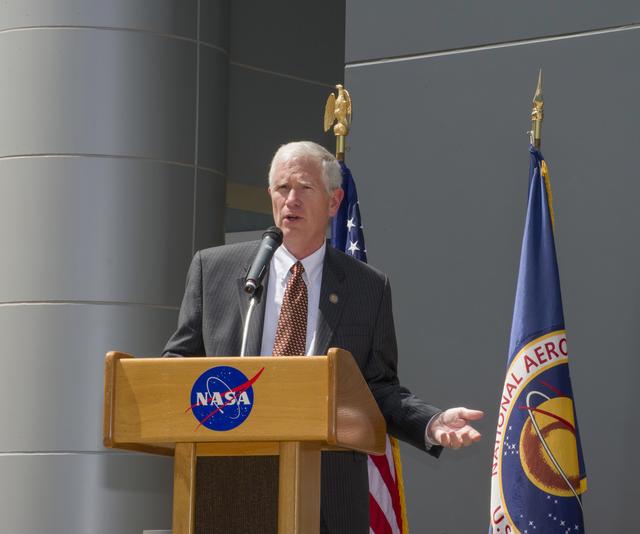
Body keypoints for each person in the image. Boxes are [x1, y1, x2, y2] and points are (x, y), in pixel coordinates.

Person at [163, 141, 483, 533]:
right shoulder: (213, 269)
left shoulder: (367, 287)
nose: (291, 200)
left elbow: (378, 387)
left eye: (304, 188)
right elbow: (177, 367)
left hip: (329, 494)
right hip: (232, 486)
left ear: (334, 202)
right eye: (282, 188)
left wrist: (430, 422)